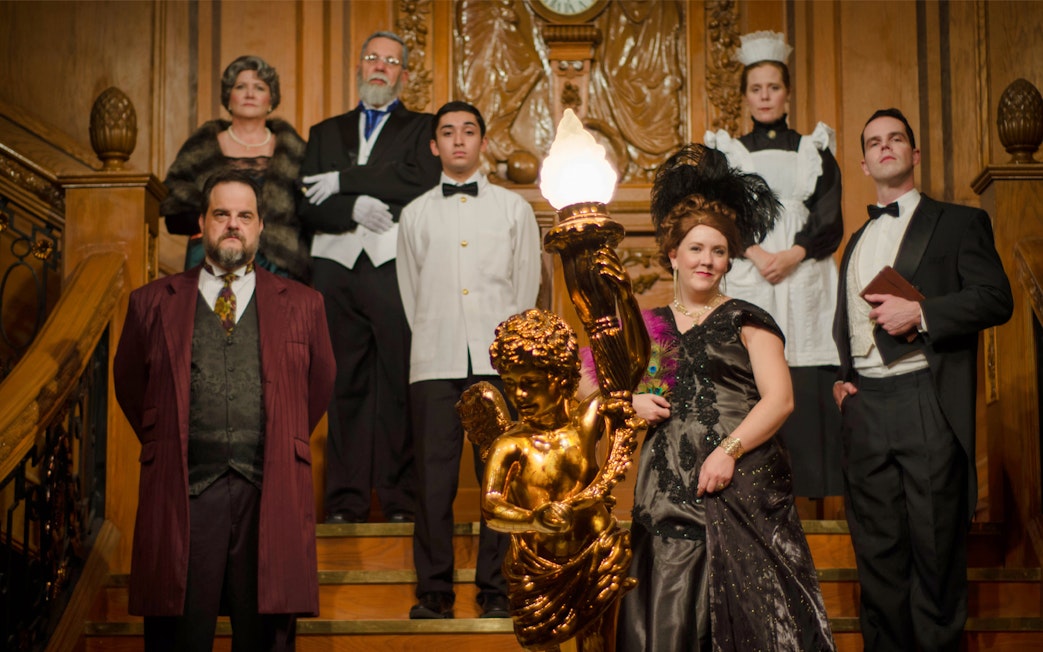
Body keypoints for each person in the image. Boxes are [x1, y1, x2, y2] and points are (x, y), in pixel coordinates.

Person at [616, 144, 835, 651]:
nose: (707, 260)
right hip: (667, 493)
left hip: (743, 486)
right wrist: (632, 403)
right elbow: (602, 389)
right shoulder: (650, 327)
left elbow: (779, 400)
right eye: (696, 249)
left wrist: (727, 452)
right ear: (673, 254)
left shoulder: (748, 318)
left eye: (717, 251)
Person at [113, 168, 336, 651]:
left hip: (270, 493)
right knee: (178, 638)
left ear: (259, 227)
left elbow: (317, 389)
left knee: (265, 638)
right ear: (202, 223)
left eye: (244, 216)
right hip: (185, 495)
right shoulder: (151, 303)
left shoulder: (304, 305)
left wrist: (277, 438)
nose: (232, 224)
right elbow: (132, 387)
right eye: (221, 214)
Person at [832, 108, 1013, 652]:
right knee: (878, 556)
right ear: (864, 162)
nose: (885, 147)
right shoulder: (854, 241)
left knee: (935, 553)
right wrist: (844, 378)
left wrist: (924, 314)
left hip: (925, 399)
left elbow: (996, 298)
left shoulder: (959, 223)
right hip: (865, 406)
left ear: (914, 154)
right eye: (873, 142)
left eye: (896, 139)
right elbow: (847, 318)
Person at [396, 101, 541, 619]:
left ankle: (497, 590)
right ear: (435, 145)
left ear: (482, 142)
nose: (459, 140)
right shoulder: (414, 215)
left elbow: (526, 289)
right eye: (448, 133)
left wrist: (507, 352)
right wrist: (437, 335)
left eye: (469, 131)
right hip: (433, 360)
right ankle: (433, 591)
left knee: (499, 480)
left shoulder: (514, 210)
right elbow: (411, 293)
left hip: (496, 361)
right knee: (432, 481)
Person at [299, 31, 441, 524]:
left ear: (404, 73)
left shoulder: (422, 127)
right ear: (358, 66)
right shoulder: (323, 133)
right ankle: (344, 502)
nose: (380, 66)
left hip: (392, 266)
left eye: (391, 61)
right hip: (334, 269)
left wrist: (341, 181)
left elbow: (418, 180)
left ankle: (400, 501)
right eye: (372, 58)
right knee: (344, 384)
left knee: (399, 381)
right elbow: (304, 204)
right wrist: (351, 207)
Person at [705, 31, 844, 500]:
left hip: (805, 273)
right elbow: (719, 213)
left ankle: (816, 496)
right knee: (753, 370)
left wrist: (795, 253)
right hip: (752, 270)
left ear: (787, 93)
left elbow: (830, 214)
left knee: (805, 370)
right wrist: (757, 252)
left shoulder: (813, 149)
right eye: (756, 89)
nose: (765, 97)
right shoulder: (729, 153)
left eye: (774, 88)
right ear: (745, 96)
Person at [161, 55, 309, 281]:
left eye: (259, 87)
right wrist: (208, 221)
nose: (250, 94)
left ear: (271, 99)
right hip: (213, 255)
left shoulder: (294, 150)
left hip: (278, 262)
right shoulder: (203, 145)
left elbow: (310, 210)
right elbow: (172, 202)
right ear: (228, 97)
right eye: (241, 87)